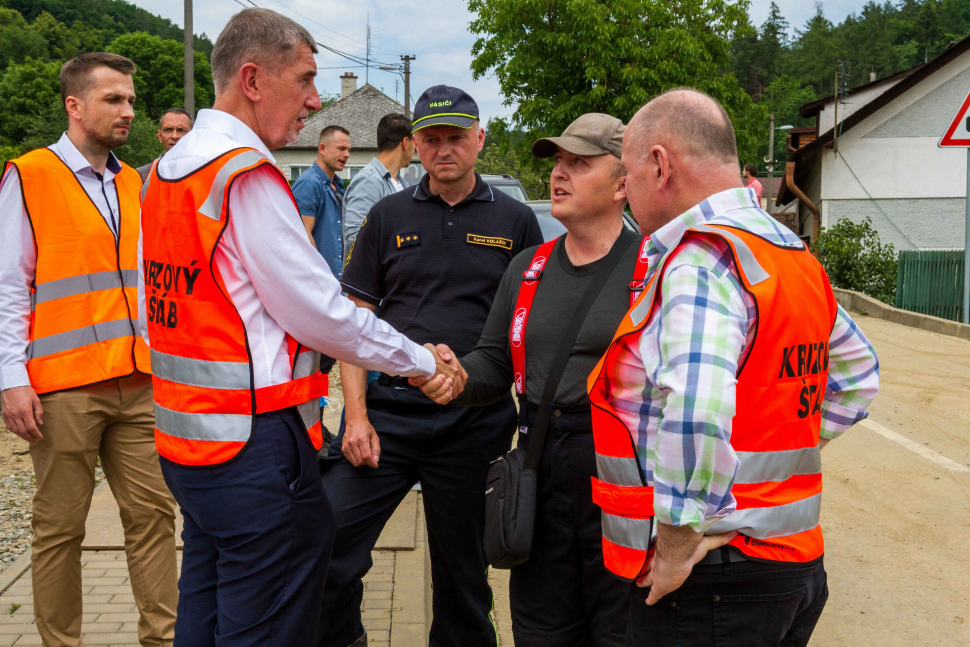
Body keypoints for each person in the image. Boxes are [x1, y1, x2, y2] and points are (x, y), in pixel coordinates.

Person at [137, 10, 461, 646]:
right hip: (254, 447)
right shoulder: (243, 175)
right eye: (306, 79)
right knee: (265, 624)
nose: (316, 101)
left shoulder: (167, 175)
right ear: (253, 80)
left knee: (203, 611)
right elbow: (321, 313)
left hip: (189, 441)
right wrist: (421, 363)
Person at [586, 89, 879, 646]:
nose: (626, 194)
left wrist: (675, 546)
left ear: (659, 163)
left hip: (712, 580)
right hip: (792, 567)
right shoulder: (788, 253)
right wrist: (756, 472)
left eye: (628, 174)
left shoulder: (701, 260)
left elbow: (696, 410)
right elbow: (857, 379)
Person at [318, 85, 544, 647]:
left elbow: (529, 328)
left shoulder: (516, 222)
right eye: (432, 138)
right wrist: (356, 417)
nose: (444, 149)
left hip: (475, 427)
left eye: (457, 137)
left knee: (464, 581)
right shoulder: (387, 215)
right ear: (414, 144)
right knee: (327, 548)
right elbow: (355, 321)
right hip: (389, 421)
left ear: (480, 139)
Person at [411, 113, 638, 647]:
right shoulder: (528, 268)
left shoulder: (655, 268)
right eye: (558, 161)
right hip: (538, 464)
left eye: (579, 163)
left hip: (621, 473)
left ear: (623, 184)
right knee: (542, 630)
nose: (559, 174)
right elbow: (493, 366)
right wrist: (450, 374)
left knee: (621, 628)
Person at [0, 52, 178, 647]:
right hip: (63, 386)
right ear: (74, 106)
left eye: (131, 99)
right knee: (59, 530)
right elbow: (6, 287)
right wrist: (9, 377)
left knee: (154, 519)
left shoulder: (134, 181)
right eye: (114, 99)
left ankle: (163, 639)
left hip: (138, 381)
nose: (129, 110)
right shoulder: (29, 175)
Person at [342, 112, 415, 259]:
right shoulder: (368, 181)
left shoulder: (402, 184)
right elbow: (355, 240)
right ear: (405, 143)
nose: (416, 149)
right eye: (415, 142)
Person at [293, 124, 352, 278]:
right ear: (322, 149)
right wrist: (321, 276)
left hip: (337, 281)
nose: (347, 155)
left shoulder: (337, 186)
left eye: (348, 150)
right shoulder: (309, 183)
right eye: (341, 148)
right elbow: (303, 236)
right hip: (318, 282)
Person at [136, 107, 194, 180]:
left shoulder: (204, 174)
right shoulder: (140, 176)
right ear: (160, 136)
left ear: (192, 135)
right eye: (168, 130)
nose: (174, 136)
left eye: (181, 130)